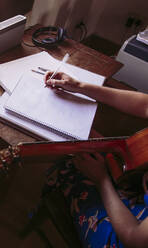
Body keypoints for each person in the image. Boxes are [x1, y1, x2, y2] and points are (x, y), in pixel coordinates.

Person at [40, 71, 148, 248]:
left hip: (131, 234)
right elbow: (144, 105)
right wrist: (79, 86)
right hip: (139, 179)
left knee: (68, 168)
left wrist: (102, 180)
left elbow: (133, 237)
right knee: (89, 149)